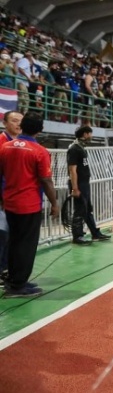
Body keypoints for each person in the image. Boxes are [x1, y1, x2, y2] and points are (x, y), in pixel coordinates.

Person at [0, 112, 60, 297]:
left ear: (23, 125)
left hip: (9, 203)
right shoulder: (40, 151)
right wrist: (54, 203)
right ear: (40, 130)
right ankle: (18, 286)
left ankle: (13, 279)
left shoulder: (5, 147)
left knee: (14, 242)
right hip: (29, 205)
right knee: (26, 245)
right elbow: (46, 180)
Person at [68, 126, 111, 245]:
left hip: (84, 183)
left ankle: (95, 233)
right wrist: (75, 188)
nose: (91, 137)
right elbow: (72, 169)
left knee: (87, 209)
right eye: (90, 134)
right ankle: (77, 236)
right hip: (79, 184)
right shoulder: (74, 148)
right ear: (85, 134)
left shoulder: (81, 147)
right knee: (80, 210)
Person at [0, 110, 22, 283]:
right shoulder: (2, 142)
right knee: (4, 232)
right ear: (5, 123)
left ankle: (6, 268)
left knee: (11, 234)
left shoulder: (19, 143)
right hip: (3, 197)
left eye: (20, 121)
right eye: (14, 121)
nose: (18, 124)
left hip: (13, 196)